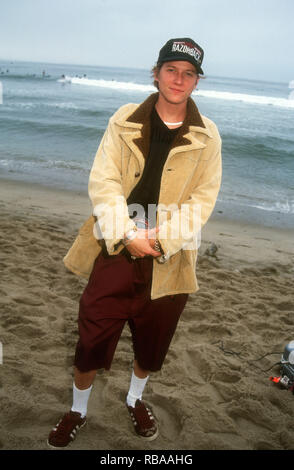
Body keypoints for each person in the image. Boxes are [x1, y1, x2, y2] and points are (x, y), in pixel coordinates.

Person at [47, 37, 222, 448]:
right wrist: (127, 234)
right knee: (91, 336)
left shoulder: (208, 135)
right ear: (157, 72)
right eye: (171, 70)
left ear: (197, 81)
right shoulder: (125, 119)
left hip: (171, 255)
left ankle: (134, 398)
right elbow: (103, 179)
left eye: (189, 73)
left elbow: (203, 199)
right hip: (117, 246)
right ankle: (77, 409)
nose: (179, 79)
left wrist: (160, 241)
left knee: (152, 342)